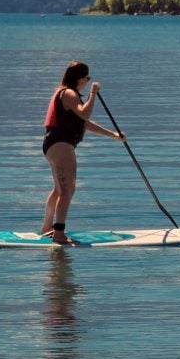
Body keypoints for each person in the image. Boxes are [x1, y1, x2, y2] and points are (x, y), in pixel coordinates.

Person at [39, 61, 122, 244]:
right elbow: (85, 114)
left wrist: (114, 135)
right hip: (61, 145)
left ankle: (46, 228)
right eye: (87, 78)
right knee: (68, 189)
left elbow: (84, 123)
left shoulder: (68, 95)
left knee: (60, 189)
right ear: (80, 78)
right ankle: (59, 233)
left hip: (53, 145)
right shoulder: (68, 93)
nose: (87, 81)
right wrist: (93, 94)